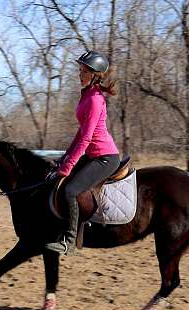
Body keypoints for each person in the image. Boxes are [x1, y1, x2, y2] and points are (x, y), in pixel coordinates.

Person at [45, 50, 120, 255]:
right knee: (60, 180)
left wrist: (67, 167)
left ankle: (69, 242)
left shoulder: (95, 99)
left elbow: (87, 139)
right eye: (79, 70)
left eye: (83, 71)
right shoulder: (86, 95)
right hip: (93, 155)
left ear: (94, 74)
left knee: (70, 190)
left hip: (105, 158)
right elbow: (80, 134)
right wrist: (64, 158)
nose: (80, 74)